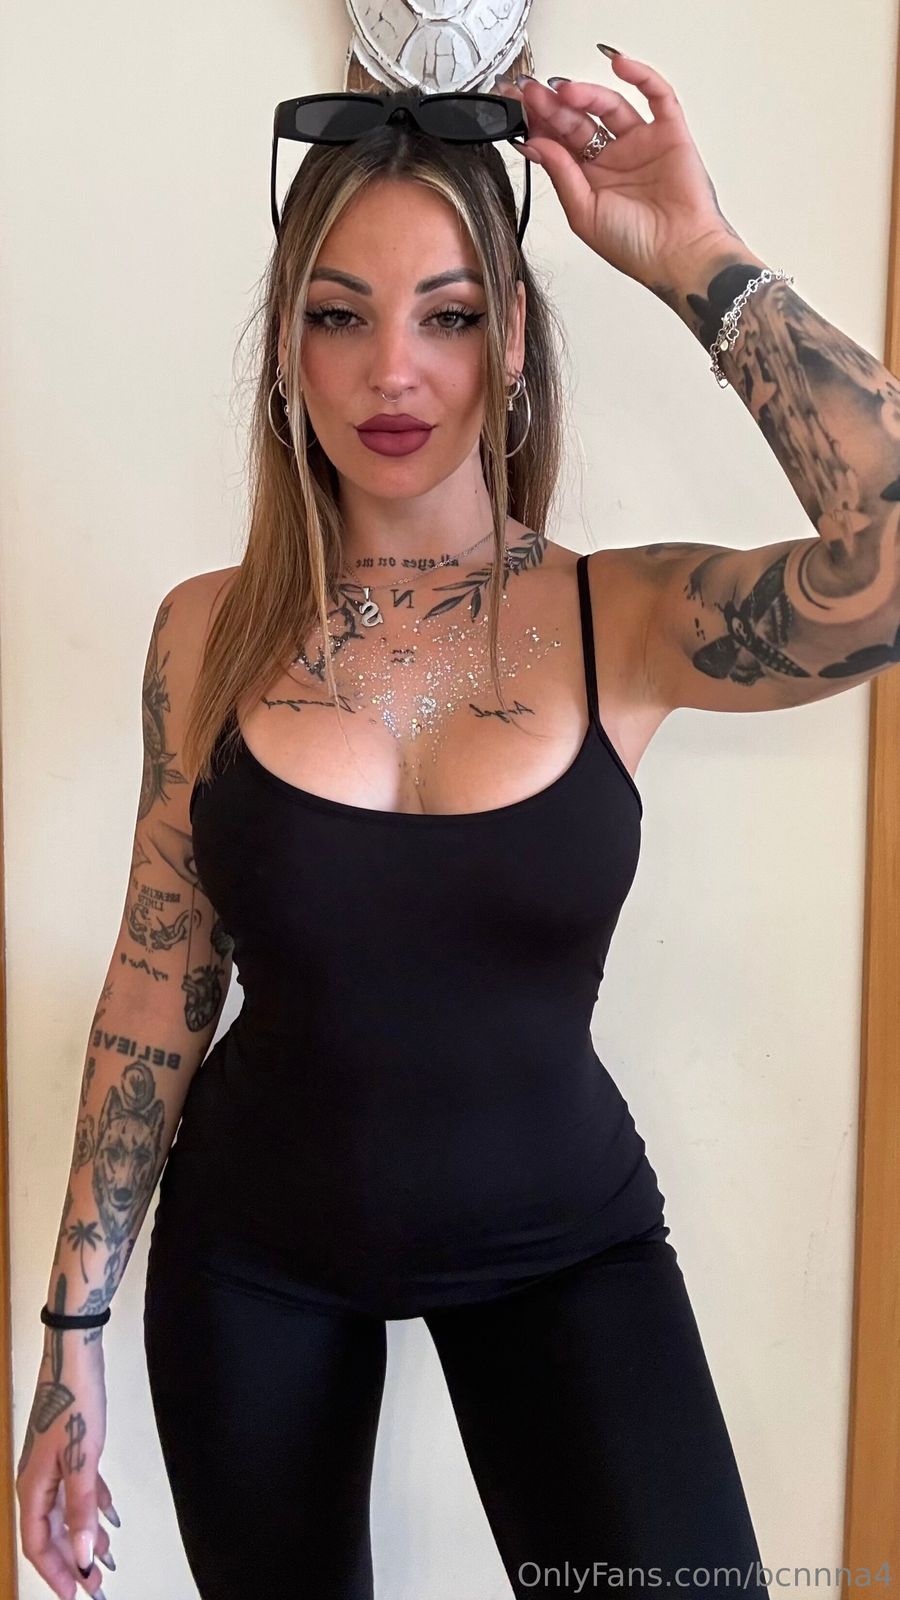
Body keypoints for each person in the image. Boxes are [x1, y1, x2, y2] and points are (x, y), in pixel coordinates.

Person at [18, 51, 900, 1600]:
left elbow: (883, 569)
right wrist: (70, 1334)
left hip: (565, 1246)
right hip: (253, 1265)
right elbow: (161, 981)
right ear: (285, 348)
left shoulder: (622, 618)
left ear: (515, 342)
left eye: (450, 314)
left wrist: (695, 254)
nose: (393, 372)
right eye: (338, 315)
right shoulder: (206, 634)